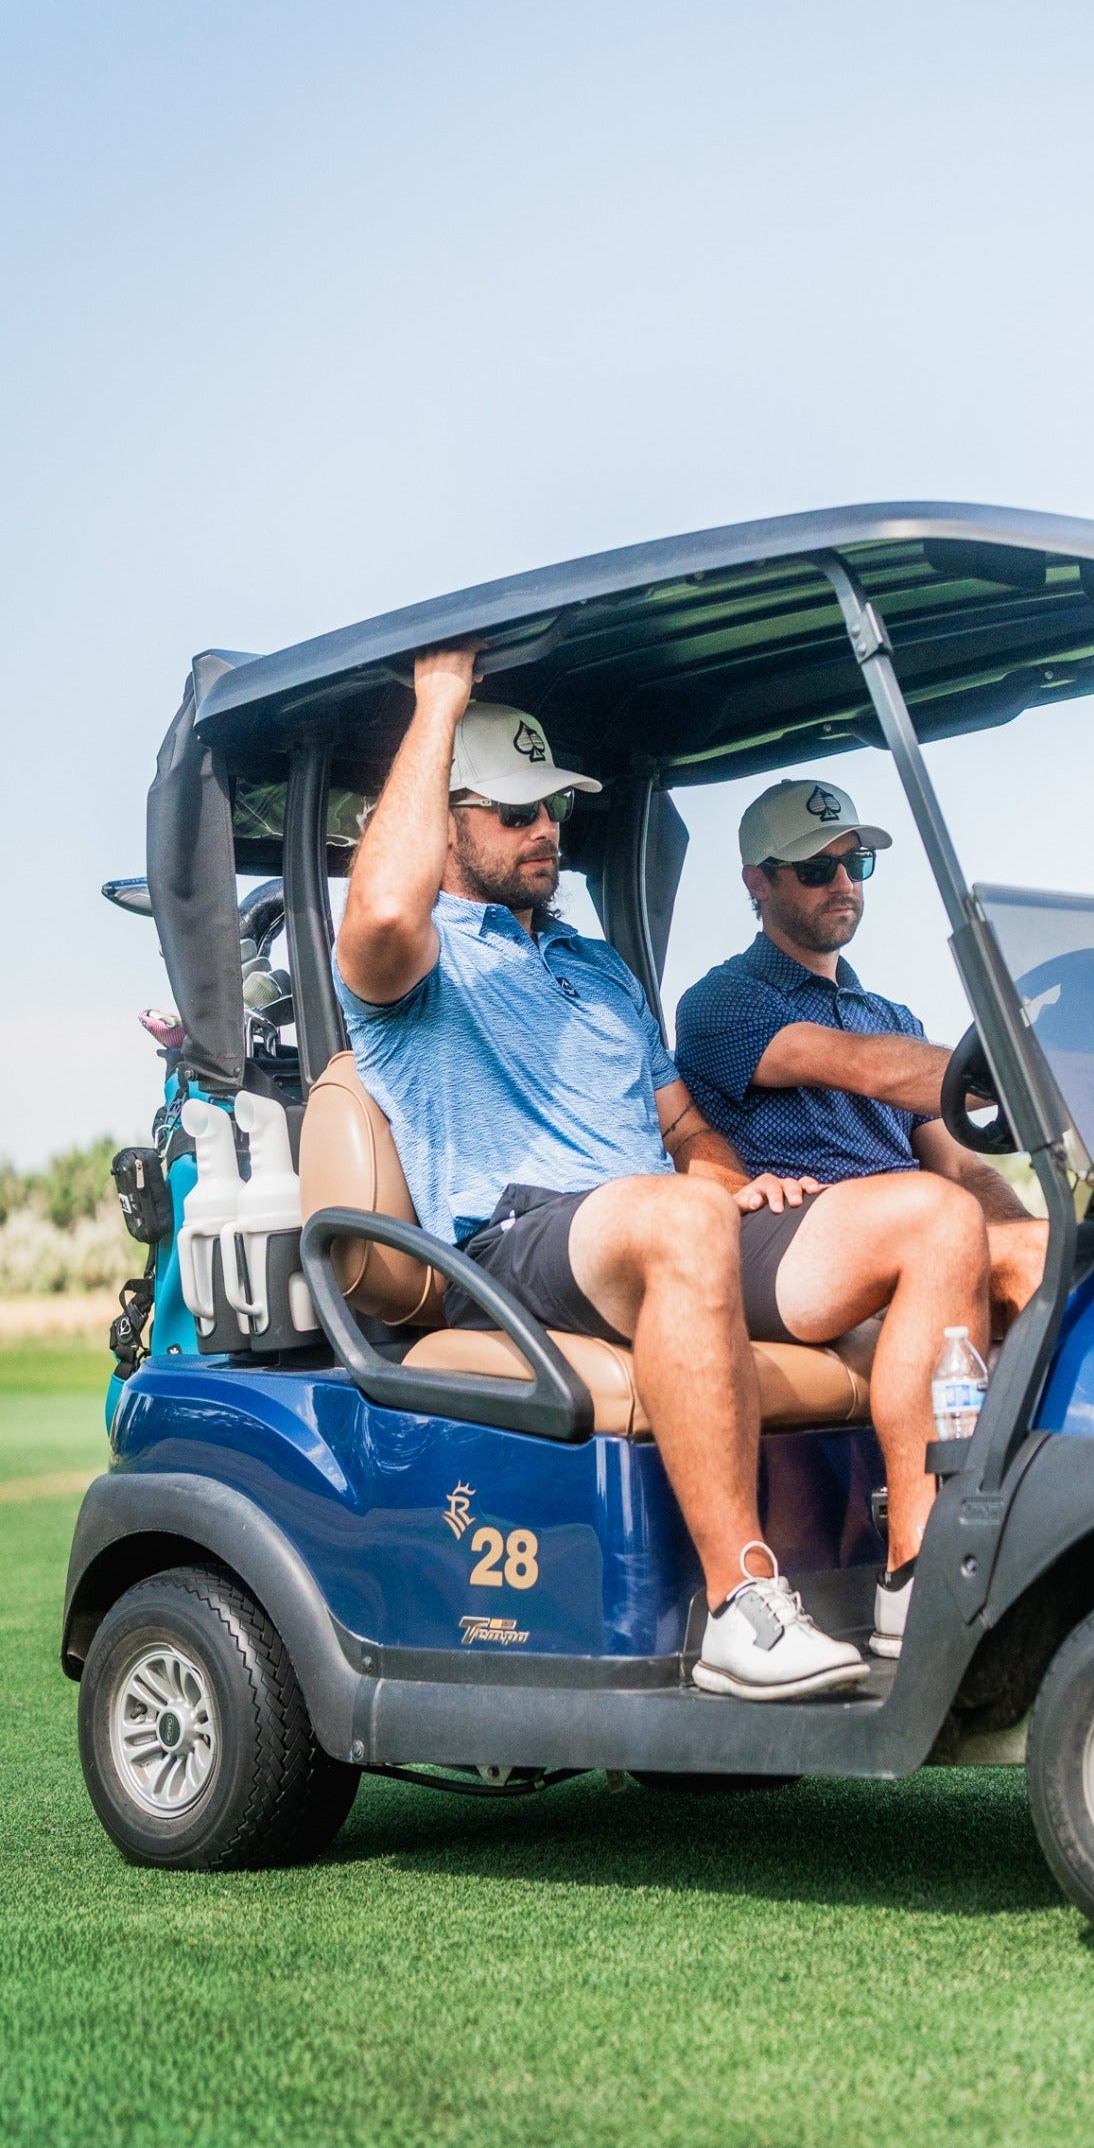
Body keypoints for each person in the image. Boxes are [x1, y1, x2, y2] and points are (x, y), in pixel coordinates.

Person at [334, 651, 990, 1694]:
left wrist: (728, 1177)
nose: (546, 827)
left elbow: (684, 1126)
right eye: (512, 813)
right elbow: (375, 915)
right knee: (681, 1220)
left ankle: (919, 1580)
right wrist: (440, 698)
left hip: (659, 1222)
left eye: (552, 807)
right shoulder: (413, 964)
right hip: (522, 1235)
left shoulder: (596, 967)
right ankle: (742, 1605)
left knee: (937, 1216)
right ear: (445, 821)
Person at [672, 774, 1049, 1355]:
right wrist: (1036, 1072)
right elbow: (864, 1068)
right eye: (817, 870)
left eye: (857, 863)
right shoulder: (722, 1001)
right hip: (807, 1236)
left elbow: (962, 1171)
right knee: (1000, 1244)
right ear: (759, 881)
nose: (844, 884)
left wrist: (1021, 1230)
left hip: (926, 1224)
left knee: (1062, 1245)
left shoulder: (893, 1019)